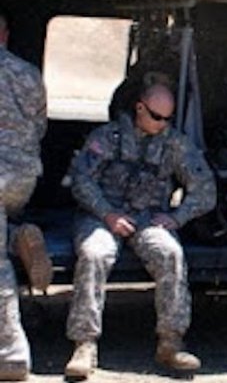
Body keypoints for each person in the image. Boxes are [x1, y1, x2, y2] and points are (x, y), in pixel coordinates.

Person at [64, 84, 216, 379]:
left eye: (168, 119)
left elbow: (205, 189)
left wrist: (177, 217)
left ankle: (171, 343)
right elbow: (81, 180)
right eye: (157, 117)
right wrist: (107, 214)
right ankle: (84, 344)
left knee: (170, 253)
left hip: (147, 219)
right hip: (101, 216)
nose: (162, 124)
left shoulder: (175, 144)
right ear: (140, 108)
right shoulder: (107, 138)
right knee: (95, 254)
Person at [0, 8, 50, 381]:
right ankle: (17, 236)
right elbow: (40, 127)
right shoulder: (29, 73)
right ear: (4, 36)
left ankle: (11, 351)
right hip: (21, 180)